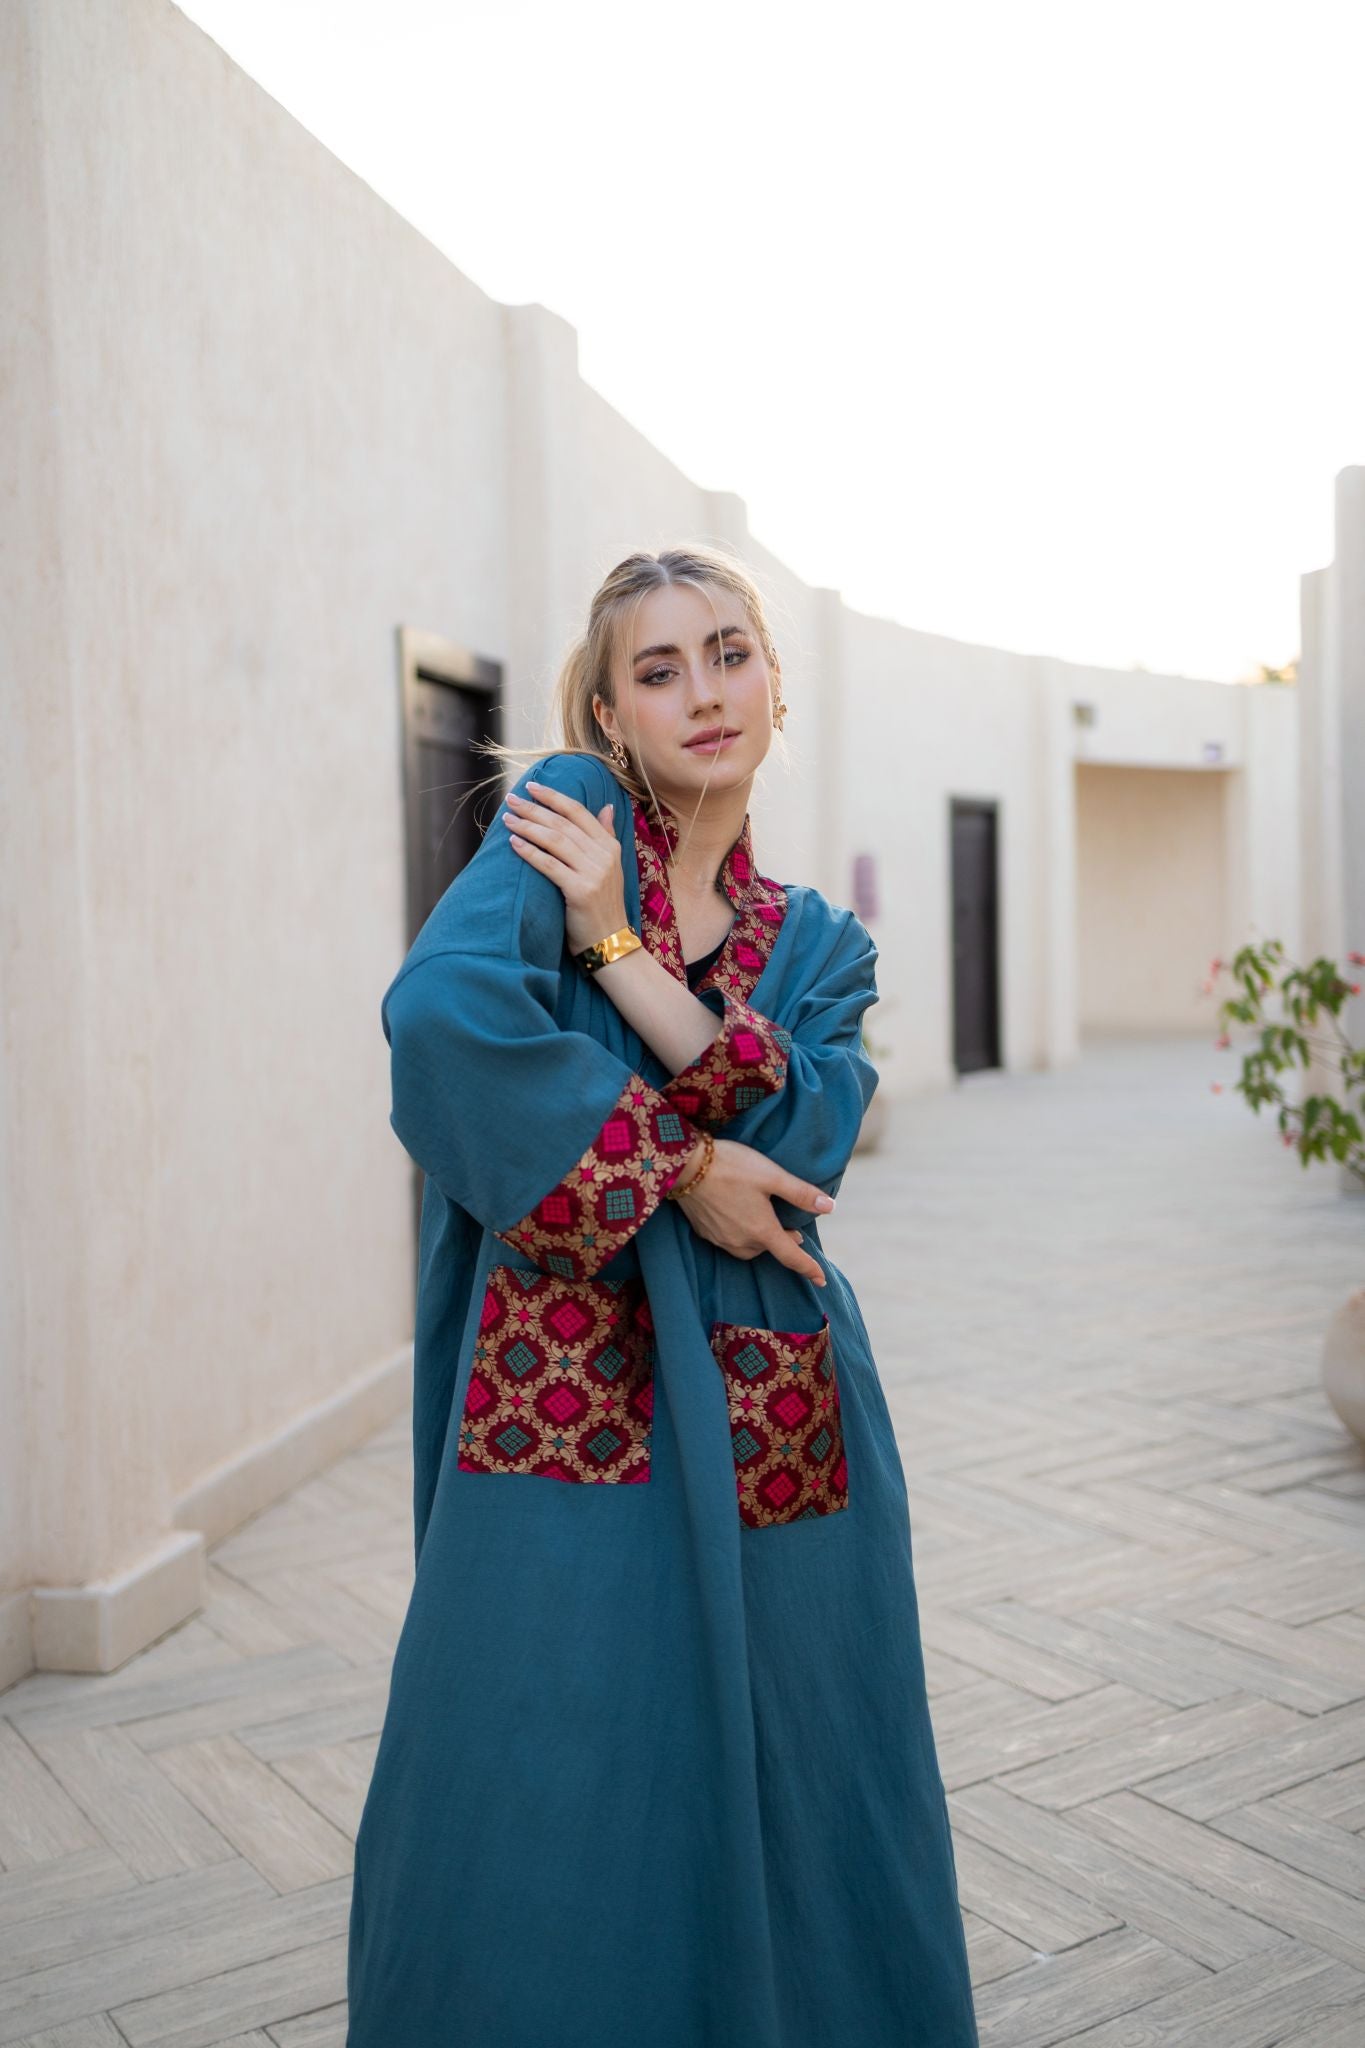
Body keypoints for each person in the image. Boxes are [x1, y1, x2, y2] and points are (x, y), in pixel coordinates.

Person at [345, 546, 980, 2047]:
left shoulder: (821, 942)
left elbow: (804, 1144)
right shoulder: (562, 821)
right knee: (528, 1751)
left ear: (774, 686)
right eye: (658, 668)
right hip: (557, 1393)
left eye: (730, 653)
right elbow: (441, 1022)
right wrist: (683, 1168)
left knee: (805, 1759)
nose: (703, 692)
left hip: (775, 1396)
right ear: (608, 713)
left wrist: (615, 949)